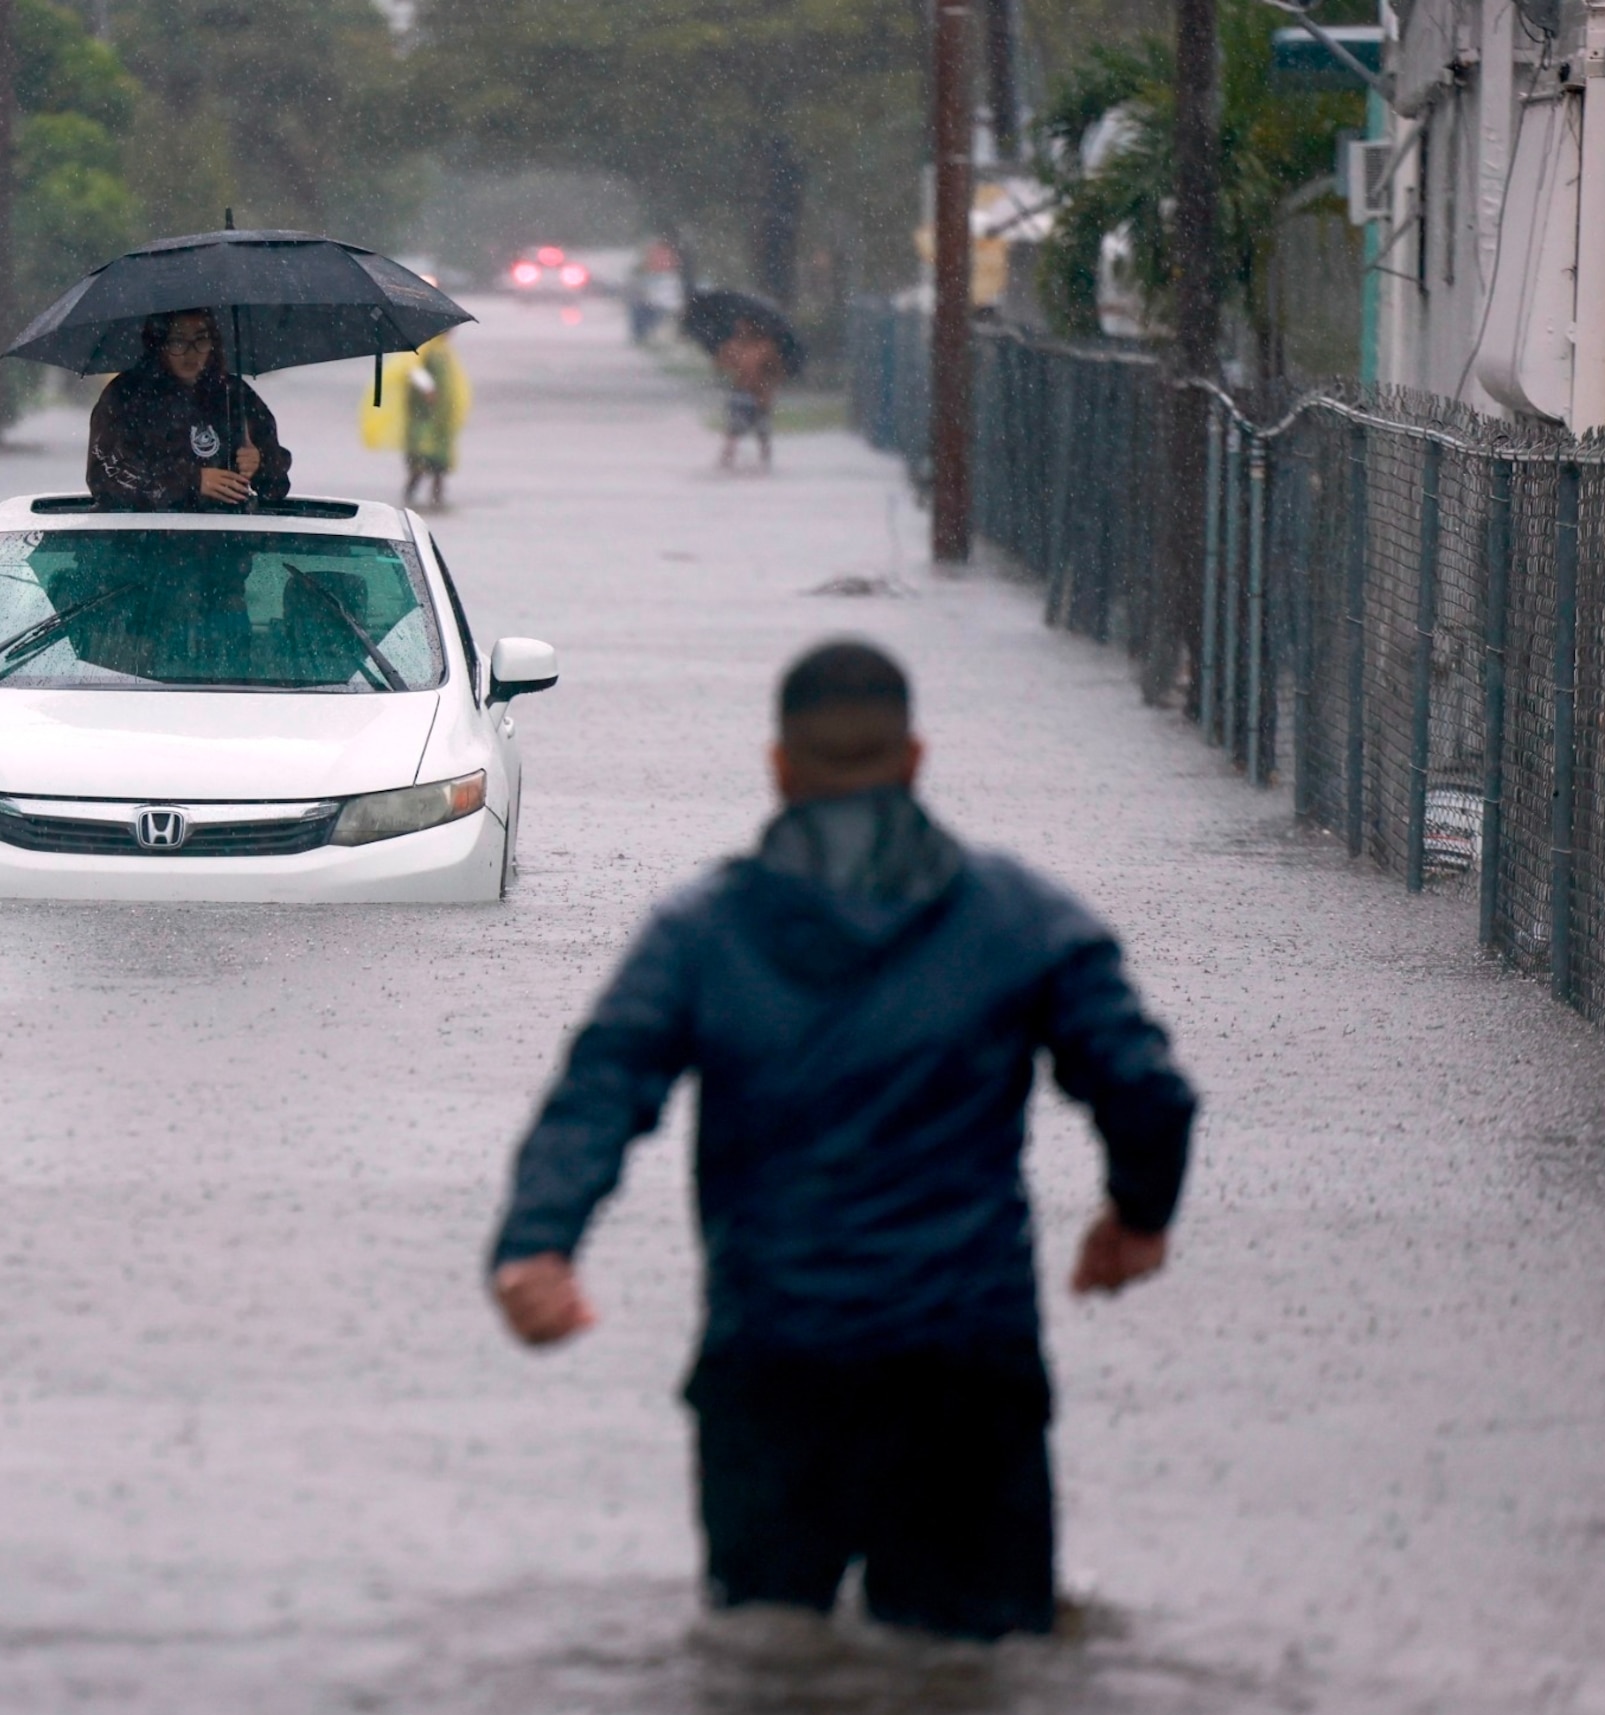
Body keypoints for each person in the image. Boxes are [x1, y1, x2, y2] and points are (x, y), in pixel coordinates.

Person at [486, 641, 1198, 1642]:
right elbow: (1146, 1086)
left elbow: (603, 1084)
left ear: (778, 766)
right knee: (979, 1681)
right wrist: (1137, 1213)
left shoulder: (700, 932)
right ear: (916, 757)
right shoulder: (1023, 919)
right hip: (965, 1364)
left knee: (765, 1675)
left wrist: (538, 1242)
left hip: (773, 1360)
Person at [87, 309, 293, 511]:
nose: (191, 352)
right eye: (178, 341)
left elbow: (275, 488)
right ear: (158, 343)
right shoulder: (126, 395)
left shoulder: (235, 394)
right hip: (147, 536)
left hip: (226, 536)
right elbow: (105, 479)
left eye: (201, 340)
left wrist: (260, 464)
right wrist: (191, 482)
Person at [361, 332, 469, 509]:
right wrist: (427, 387)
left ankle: (434, 498)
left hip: (441, 419)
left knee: (439, 463)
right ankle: (410, 498)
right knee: (420, 457)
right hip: (423, 416)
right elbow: (411, 368)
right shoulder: (424, 347)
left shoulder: (444, 350)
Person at [713, 323, 786, 472]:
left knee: (762, 429)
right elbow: (721, 366)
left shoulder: (766, 347)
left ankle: (765, 459)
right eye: (739, 327)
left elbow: (776, 371)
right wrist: (725, 356)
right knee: (734, 427)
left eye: (745, 327)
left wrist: (767, 384)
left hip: (760, 394)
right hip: (741, 392)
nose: (741, 330)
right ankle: (726, 459)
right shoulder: (733, 346)